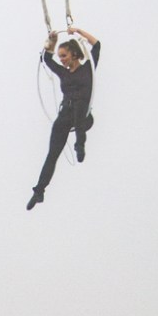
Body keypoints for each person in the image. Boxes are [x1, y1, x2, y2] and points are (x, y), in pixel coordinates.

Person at [26, 25, 100, 210]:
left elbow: (97, 45)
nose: (62, 60)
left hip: (82, 115)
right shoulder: (63, 72)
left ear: (74, 54)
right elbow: (46, 58)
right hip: (66, 115)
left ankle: (79, 144)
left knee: (79, 107)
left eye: (64, 56)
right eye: (60, 57)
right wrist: (51, 42)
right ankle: (39, 191)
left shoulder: (88, 69)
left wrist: (78, 32)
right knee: (52, 154)